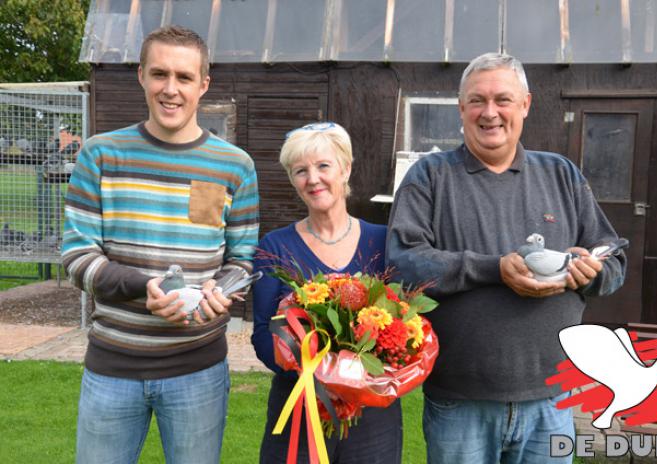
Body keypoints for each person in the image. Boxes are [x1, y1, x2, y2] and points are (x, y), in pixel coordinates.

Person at [386, 52, 626, 464]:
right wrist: (494, 267)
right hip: (461, 401)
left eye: (503, 99)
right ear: (461, 109)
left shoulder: (562, 174)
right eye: (477, 100)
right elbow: (402, 265)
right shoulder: (429, 177)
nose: (490, 112)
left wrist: (590, 272)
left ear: (526, 105)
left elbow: (615, 262)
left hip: (553, 401)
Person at [61, 25, 259, 464]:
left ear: (203, 84)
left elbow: (242, 261)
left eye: (184, 78)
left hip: (198, 368)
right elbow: (76, 256)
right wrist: (142, 286)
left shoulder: (235, 165)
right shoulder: (100, 155)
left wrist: (218, 292)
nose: (171, 89)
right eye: (160, 74)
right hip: (113, 366)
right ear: (141, 76)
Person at [251, 122, 402, 464]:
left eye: (323, 166)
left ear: (345, 169)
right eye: (301, 171)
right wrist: (317, 378)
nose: (313, 179)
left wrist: (360, 379)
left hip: (371, 413)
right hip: (300, 405)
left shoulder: (383, 241)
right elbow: (262, 334)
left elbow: (402, 325)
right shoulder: (274, 247)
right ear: (293, 181)